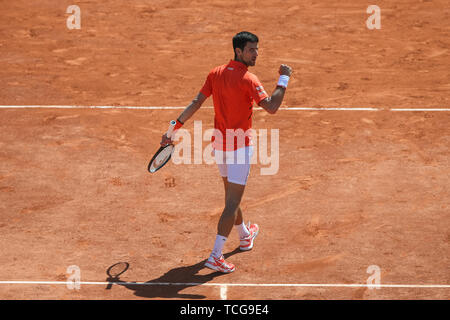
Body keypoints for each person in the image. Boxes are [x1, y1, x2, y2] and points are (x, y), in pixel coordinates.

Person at [160, 31, 293, 273]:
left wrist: (172, 130)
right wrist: (283, 79)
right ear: (238, 51)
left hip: (220, 145)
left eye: (256, 49)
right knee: (231, 202)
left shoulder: (215, 73)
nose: (256, 54)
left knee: (232, 196)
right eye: (251, 49)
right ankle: (215, 255)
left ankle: (244, 235)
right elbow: (272, 106)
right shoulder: (249, 79)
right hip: (240, 147)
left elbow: (195, 103)